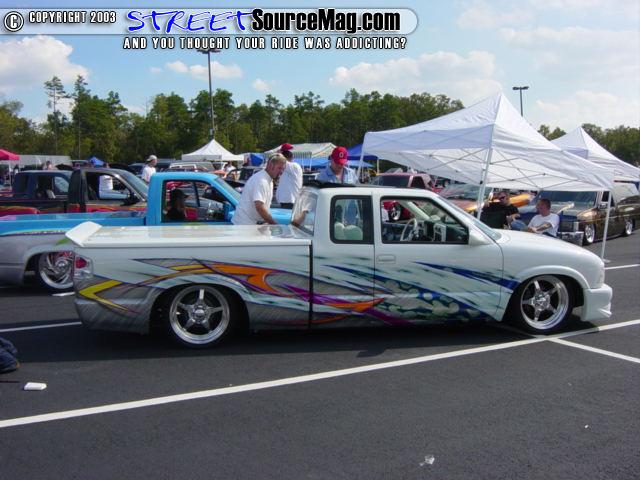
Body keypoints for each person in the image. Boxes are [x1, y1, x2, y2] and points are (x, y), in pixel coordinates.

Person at [232, 153, 287, 225]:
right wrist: (275, 225)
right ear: (271, 165)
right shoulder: (261, 181)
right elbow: (259, 206)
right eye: (279, 168)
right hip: (244, 226)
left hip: (248, 225)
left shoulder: (268, 179)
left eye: (283, 169)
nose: (281, 172)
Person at [275, 143, 303, 208]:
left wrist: (278, 153)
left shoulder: (294, 166)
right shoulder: (288, 168)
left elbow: (281, 161)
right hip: (287, 201)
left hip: (291, 201)